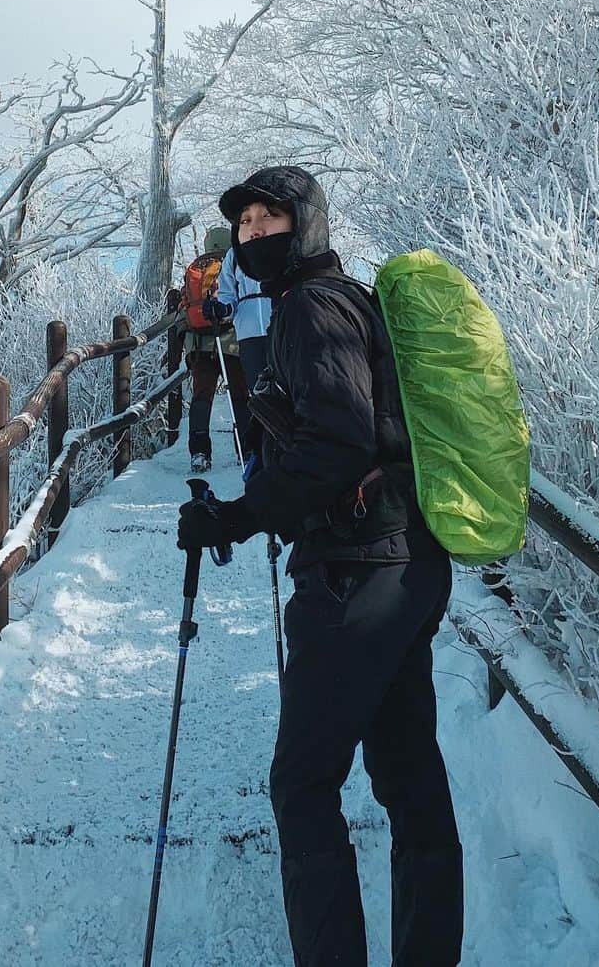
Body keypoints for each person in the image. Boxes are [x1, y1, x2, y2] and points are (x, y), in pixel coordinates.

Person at [176, 166, 463, 967]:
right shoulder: (346, 300)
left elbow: (339, 442)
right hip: (403, 563)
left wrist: (237, 513)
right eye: (246, 224)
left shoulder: (312, 308)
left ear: (308, 224)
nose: (257, 232)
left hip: (354, 573)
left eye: (273, 218)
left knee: (303, 789)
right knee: (409, 784)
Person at [181, 226, 251, 473]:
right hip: (230, 343)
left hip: (199, 345)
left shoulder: (195, 268)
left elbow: (184, 307)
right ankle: (246, 448)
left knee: (201, 398)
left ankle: (199, 453)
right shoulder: (236, 264)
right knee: (240, 395)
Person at [202, 241, 273, 397]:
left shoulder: (281, 243)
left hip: (281, 328)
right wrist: (223, 309)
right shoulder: (234, 255)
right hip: (248, 333)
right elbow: (227, 294)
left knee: (289, 388)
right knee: (258, 391)